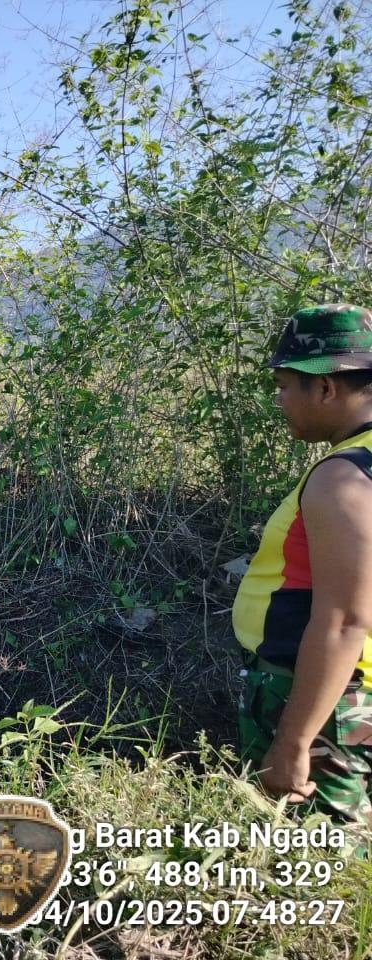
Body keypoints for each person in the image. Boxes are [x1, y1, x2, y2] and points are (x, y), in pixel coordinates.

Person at [233, 303, 372, 832]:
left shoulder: (343, 479)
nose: (280, 401)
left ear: (326, 388)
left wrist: (294, 741)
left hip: (326, 704)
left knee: (318, 852)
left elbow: (343, 621)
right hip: (349, 692)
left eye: (285, 386)